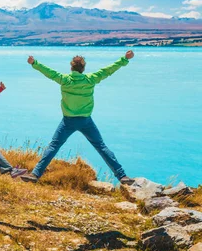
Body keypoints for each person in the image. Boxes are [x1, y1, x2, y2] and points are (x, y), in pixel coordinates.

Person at [20, 51, 136, 185]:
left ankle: (35, 174)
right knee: (101, 147)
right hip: (86, 121)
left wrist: (34, 63)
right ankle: (122, 176)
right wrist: (124, 59)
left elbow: (49, 72)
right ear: (83, 68)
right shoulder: (91, 79)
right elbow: (108, 70)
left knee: (54, 146)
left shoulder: (64, 80)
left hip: (68, 121)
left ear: (71, 67)